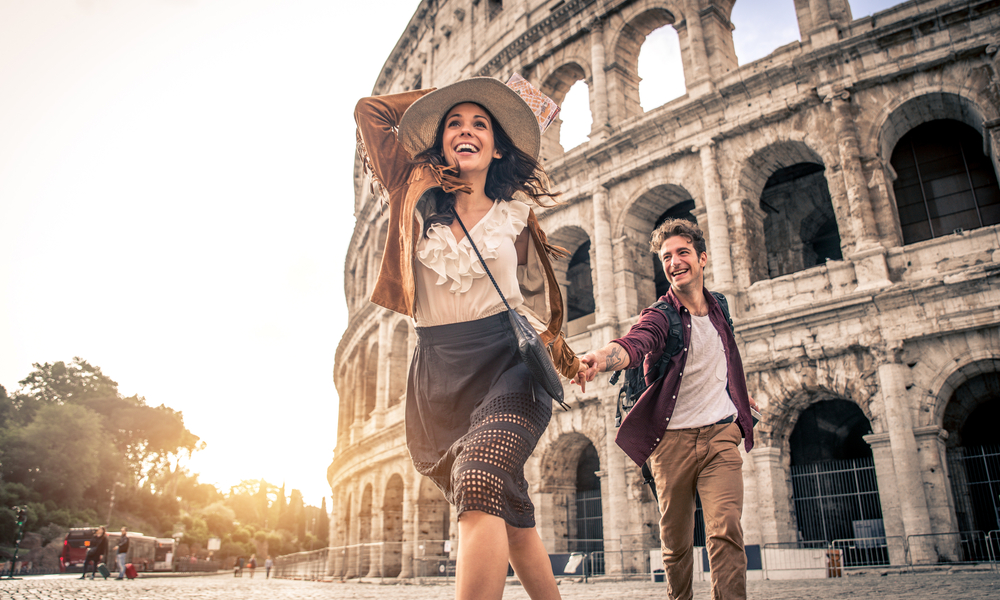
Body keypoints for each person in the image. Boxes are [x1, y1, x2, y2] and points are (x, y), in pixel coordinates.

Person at [354, 77, 581, 600]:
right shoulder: (409, 192)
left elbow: (528, 304)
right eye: (454, 124)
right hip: (438, 371)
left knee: (478, 481)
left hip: (508, 365)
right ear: (439, 142)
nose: (466, 130)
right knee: (513, 516)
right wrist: (438, 105)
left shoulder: (517, 217)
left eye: (481, 123)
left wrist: (567, 360)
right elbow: (369, 111)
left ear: (498, 146)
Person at [574, 219, 759, 600]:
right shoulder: (661, 315)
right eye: (667, 257)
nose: (675, 262)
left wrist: (740, 396)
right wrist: (600, 358)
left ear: (702, 258)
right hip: (671, 444)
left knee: (726, 529)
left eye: (683, 253)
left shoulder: (720, 306)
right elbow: (634, 343)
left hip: (720, 435)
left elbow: (725, 356)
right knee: (675, 545)